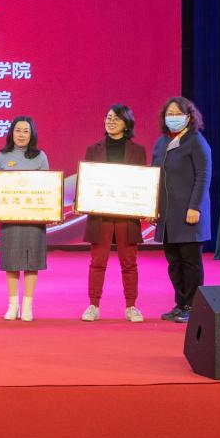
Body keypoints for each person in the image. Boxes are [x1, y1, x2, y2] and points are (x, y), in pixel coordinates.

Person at [80, 104, 147, 324]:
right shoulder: (93, 149)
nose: (111, 121)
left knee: (129, 262)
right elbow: (88, 181)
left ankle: (131, 306)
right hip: (101, 214)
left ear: (126, 124)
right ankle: (93, 305)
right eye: (108, 117)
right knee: (97, 261)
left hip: (127, 214)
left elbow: (142, 184)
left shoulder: (138, 151)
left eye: (116, 118)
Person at [151, 96, 212, 324]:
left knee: (190, 262)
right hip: (167, 215)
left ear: (189, 116)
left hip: (189, 213)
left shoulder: (196, 141)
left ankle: (193, 307)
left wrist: (195, 206)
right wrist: (152, 207)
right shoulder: (161, 143)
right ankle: (180, 304)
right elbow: (153, 177)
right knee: (174, 263)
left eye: (178, 114)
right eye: (170, 114)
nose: (173, 118)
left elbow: (203, 176)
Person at [0, 116, 50, 322]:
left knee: (31, 261)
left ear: (32, 134)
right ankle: (13, 305)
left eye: (26, 131)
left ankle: (27, 305)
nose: (21, 135)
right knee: (11, 260)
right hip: (9, 217)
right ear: (11, 132)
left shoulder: (40, 157)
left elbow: (48, 187)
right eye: (18, 130)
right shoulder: (1, 157)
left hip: (34, 218)